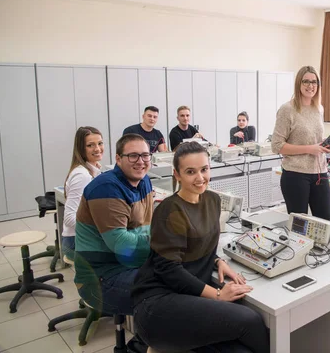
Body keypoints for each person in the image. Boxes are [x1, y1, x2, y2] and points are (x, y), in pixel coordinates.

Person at [132, 142, 269, 353]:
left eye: (204, 169)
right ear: (177, 174)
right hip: (158, 303)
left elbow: (198, 243)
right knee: (249, 320)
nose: (200, 178)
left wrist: (217, 260)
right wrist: (216, 295)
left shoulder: (212, 200)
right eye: (190, 172)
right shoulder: (170, 210)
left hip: (189, 297)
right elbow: (169, 269)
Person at [74, 133, 153, 316]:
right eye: (133, 155)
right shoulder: (106, 187)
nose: (140, 161)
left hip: (131, 264)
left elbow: (148, 225)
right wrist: (163, 241)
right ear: (118, 159)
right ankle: (143, 344)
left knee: (182, 276)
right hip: (101, 277)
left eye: (145, 155)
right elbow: (122, 244)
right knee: (165, 292)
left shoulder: (144, 180)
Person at [271, 66, 330, 221]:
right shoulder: (287, 109)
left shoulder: (319, 108)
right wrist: (310, 149)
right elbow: (277, 145)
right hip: (295, 175)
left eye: (314, 82)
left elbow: (313, 139)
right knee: (300, 227)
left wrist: (326, 143)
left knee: (326, 223)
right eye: (306, 81)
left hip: (319, 173)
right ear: (298, 83)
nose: (310, 86)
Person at [62, 126, 103, 261]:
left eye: (100, 143)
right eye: (90, 145)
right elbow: (69, 218)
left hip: (82, 238)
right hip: (75, 242)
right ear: (81, 149)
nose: (97, 149)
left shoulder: (94, 169)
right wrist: (101, 226)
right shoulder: (82, 175)